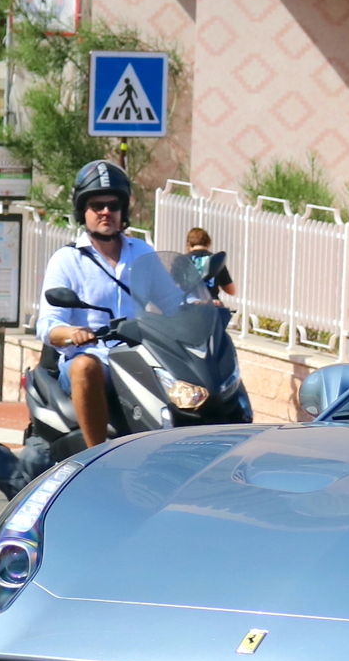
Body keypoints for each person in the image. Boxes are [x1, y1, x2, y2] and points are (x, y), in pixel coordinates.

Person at [39, 159, 157, 448]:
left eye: (113, 205)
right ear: (83, 211)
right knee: (84, 367)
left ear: (123, 210)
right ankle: (97, 457)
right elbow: (48, 325)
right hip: (92, 358)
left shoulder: (142, 252)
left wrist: (202, 307)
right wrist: (71, 334)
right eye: (97, 205)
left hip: (139, 357)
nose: (106, 212)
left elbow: (172, 299)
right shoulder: (67, 260)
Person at [172, 225, 238, 303]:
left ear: (188, 244)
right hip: (211, 305)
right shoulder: (216, 260)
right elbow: (231, 291)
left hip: (188, 304)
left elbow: (171, 285)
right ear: (208, 244)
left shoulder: (180, 260)